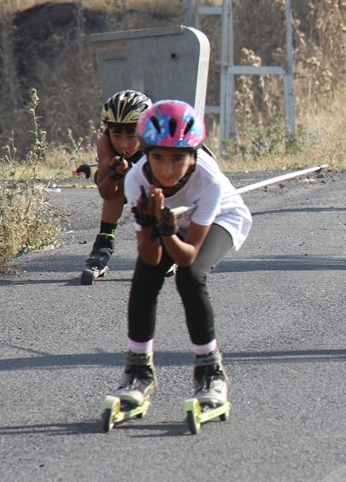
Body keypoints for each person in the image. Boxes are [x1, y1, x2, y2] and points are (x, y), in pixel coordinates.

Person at [108, 100, 252, 412]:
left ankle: (210, 370)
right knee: (144, 277)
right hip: (171, 220)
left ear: (193, 156)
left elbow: (186, 258)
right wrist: (150, 223)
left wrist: (166, 229)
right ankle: (138, 371)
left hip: (221, 218)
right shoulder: (136, 180)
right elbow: (150, 257)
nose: (167, 169)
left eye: (178, 158)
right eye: (158, 158)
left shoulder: (209, 180)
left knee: (190, 277)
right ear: (146, 153)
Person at [81, 90, 152, 284]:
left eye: (131, 136)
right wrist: (113, 175)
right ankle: (104, 244)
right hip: (129, 180)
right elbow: (106, 193)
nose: (123, 144)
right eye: (117, 136)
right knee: (116, 182)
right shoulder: (105, 144)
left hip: (163, 188)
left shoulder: (157, 141)